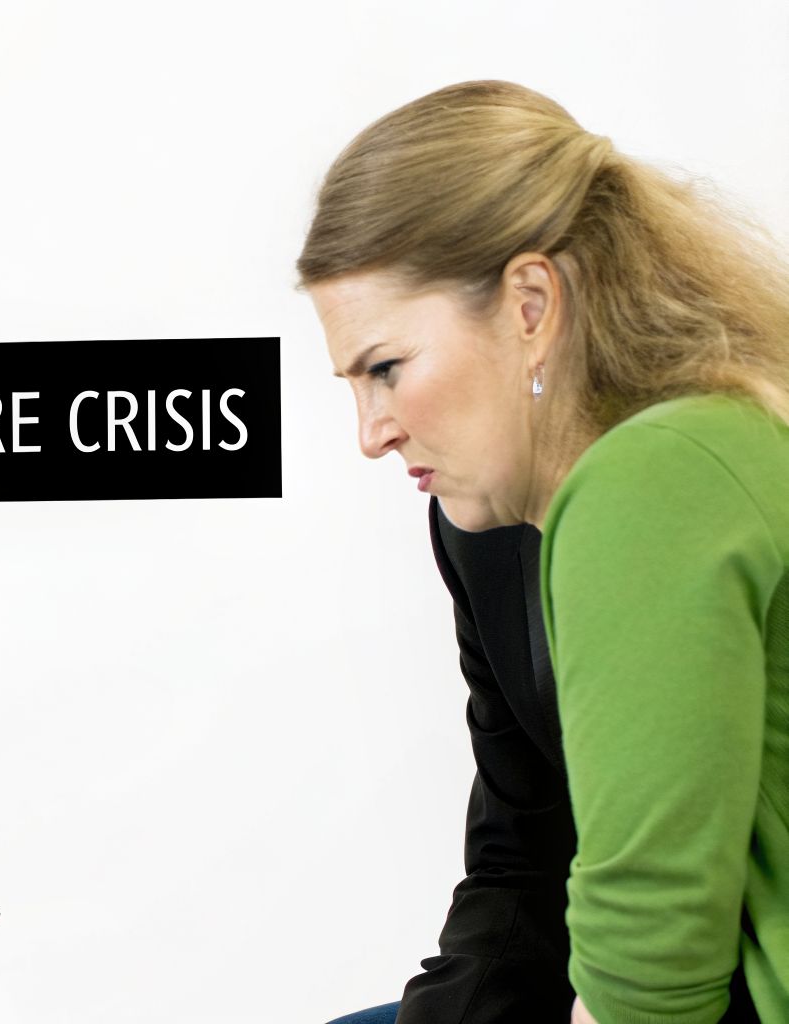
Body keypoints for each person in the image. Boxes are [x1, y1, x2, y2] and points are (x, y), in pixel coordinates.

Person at [299, 80, 789, 1023]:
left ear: (530, 304)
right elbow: (526, 848)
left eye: (387, 368)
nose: (371, 432)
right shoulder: (486, 526)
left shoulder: (657, 476)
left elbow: (651, 952)